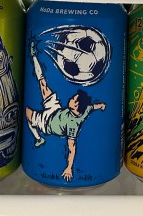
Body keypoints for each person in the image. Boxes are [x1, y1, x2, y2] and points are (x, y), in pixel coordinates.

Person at [25, 47, 106, 182]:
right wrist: (101, 105)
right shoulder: (84, 110)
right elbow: (93, 107)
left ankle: (38, 138)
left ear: (76, 106)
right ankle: (34, 57)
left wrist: (69, 168)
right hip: (55, 110)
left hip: (46, 123)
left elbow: (72, 148)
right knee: (42, 84)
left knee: (27, 113)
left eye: (73, 99)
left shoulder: (73, 126)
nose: (70, 99)